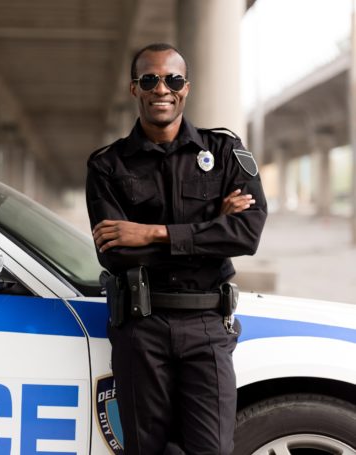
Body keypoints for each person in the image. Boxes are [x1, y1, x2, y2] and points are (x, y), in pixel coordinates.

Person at [85, 43, 267, 455]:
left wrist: (150, 234)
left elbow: (246, 235)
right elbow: (116, 254)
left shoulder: (223, 153)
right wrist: (211, 227)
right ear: (135, 88)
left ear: (187, 87)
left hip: (208, 327)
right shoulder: (107, 166)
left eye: (173, 79)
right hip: (141, 328)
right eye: (149, 79)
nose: (161, 88)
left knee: (212, 449)